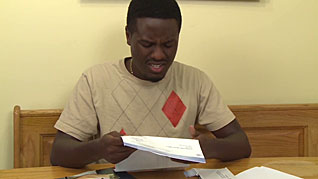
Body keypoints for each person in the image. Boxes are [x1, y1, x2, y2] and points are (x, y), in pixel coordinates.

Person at [50, 0, 251, 168]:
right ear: (128, 36)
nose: (158, 55)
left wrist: (209, 148)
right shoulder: (95, 79)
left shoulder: (195, 80)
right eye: (147, 44)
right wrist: (99, 149)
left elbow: (241, 143)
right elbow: (59, 152)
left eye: (168, 45)